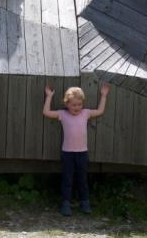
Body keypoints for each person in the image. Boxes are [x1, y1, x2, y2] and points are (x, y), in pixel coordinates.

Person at [43, 82, 110, 216]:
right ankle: (65, 204)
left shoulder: (85, 113)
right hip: (67, 153)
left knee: (82, 179)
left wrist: (103, 96)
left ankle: (84, 203)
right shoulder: (62, 114)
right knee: (67, 179)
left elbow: (100, 111)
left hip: (82, 153)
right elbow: (46, 112)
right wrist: (49, 96)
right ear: (67, 104)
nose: (77, 107)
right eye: (73, 105)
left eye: (79, 104)